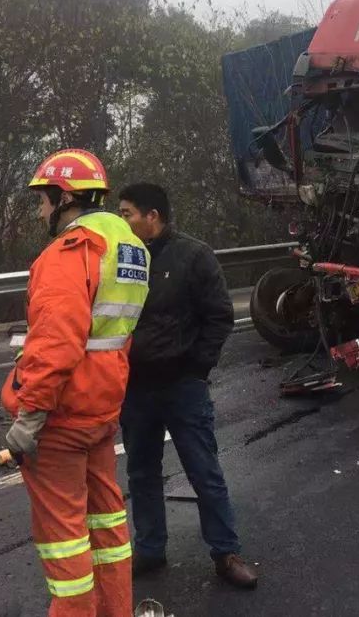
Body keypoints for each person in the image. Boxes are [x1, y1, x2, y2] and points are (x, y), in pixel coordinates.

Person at [1, 149, 150, 616]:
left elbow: (56, 345)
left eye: (44, 201)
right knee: (108, 525)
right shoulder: (130, 249)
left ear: (65, 197)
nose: (42, 211)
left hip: (62, 417)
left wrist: (30, 416)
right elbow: (113, 336)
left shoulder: (72, 251)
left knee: (64, 542)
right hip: (102, 408)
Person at [117, 182, 258, 589]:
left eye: (127, 213)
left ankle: (225, 553)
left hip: (182, 387)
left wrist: (196, 368)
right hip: (136, 389)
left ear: (152, 216)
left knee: (203, 470)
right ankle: (150, 549)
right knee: (142, 473)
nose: (122, 221)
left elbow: (219, 317)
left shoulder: (194, 256)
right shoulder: (124, 261)